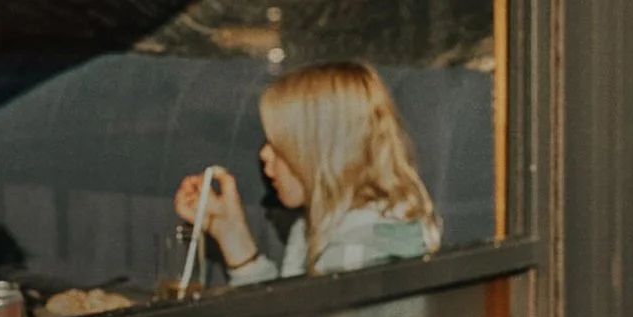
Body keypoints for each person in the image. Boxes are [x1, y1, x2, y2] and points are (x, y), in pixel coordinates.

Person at [175, 60, 442, 284]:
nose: (264, 154)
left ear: (320, 153)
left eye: (278, 144)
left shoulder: (359, 254)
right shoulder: (333, 225)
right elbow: (289, 314)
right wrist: (230, 233)